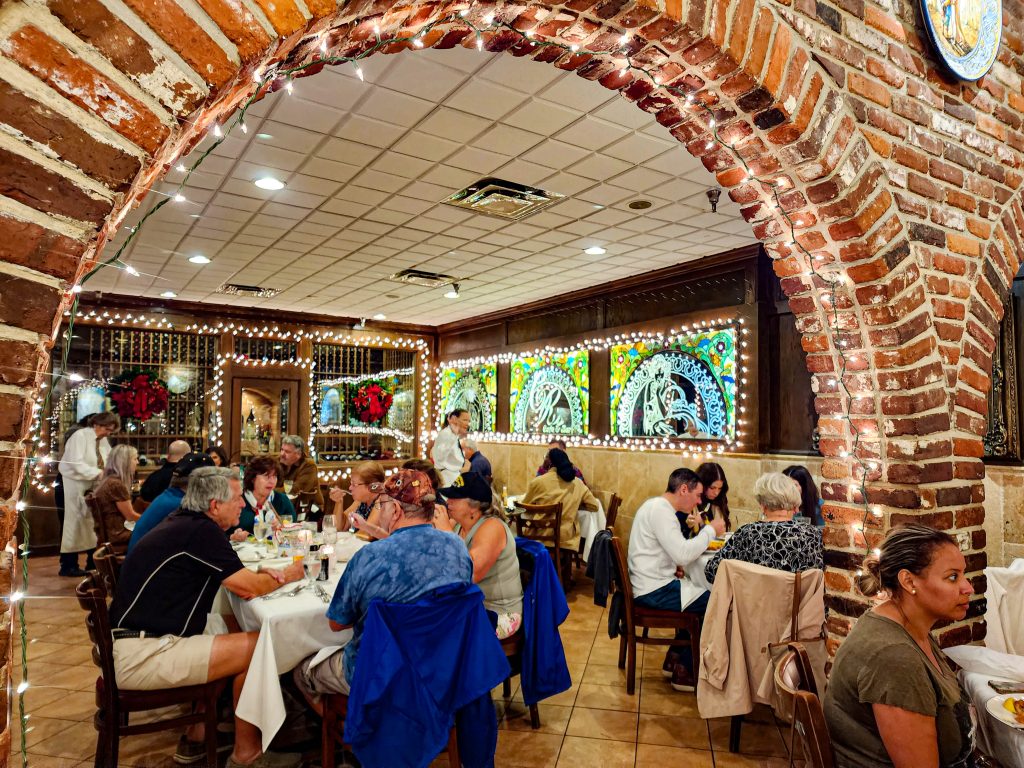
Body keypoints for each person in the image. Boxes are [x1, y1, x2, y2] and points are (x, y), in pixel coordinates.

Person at [110, 466, 305, 768]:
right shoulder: (200, 532)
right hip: (145, 652)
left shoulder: (187, 524)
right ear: (215, 505)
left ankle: (198, 734)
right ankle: (247, 753)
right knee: (260, 645)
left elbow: (239, 579)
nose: (242, 505)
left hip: (142, 636)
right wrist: (291, 575)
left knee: (240, 623)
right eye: (238, 499)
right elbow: (249, 590)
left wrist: (258, 575)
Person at [293, 469, 473, 704]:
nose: (381, 510)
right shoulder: (458, 548)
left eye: (383, 505)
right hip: (441, 666)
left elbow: (337, 623)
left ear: (396, 510)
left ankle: (354, 731)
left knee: (300, 669)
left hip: (379, 673)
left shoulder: (369, 557)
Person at [824, 525, 975, 768]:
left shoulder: (909, 626)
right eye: (952, 577)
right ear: (908, 581)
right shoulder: (894, 658)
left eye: (963, 575)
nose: (968, 588)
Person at [628, 467, 726, 690]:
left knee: (698, 593)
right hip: (653, 591)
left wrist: (673, 567)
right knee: (715, 601)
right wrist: (710, 531)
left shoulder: (656, 507)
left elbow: (671, 553)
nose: (699, 501)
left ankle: (674, 660)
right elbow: (682, 553)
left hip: (652, 583)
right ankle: (686, 671)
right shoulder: (661, 511)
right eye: (698, 495)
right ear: (684, 489)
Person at [435, 472, 523, 639]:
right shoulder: (456, 525)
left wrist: (446, 533)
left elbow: (471, 573)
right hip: (466, 603)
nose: (448, 502)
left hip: (498, 612)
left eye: (455, 498)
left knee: (442, 634)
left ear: (473, 506)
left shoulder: (493, 527)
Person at [704, 471, 823, 584]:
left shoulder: (747, 533)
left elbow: (711, 571)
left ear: (762, 505)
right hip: (798, 605)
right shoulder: (813, 535)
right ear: (795, 504)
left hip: (751, 605)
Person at [58, 411, 120, 577]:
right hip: (74, 484)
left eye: (110, 430)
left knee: (93, 524)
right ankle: (68, 565)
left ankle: (92, 562)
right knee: (74, 523)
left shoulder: (102, 440)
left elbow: (109, 459)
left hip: (93, 485)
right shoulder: (80, 436)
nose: (108, 433)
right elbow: (75, 463)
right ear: (97, 424)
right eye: (107, 428)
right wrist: (98, 473)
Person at [128, 453, 231, 552]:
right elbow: (203, 545)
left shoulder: (169, 497)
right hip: (148, 567)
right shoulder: (182, 506)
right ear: (203, 484)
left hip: (139, 564)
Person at [520, 448, 600, 552]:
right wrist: (574, 503)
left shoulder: (538, 482)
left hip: (539, 538)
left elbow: (523, 507)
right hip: (566, 540)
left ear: (549, 462)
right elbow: (594, 506)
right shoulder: (578, 483)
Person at [90, 444, 140, 549]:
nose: (137, 462)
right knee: (158, 533)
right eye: (135, 459)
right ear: (125, 462)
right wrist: (152, 520)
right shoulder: (116, 484)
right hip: (119, 534)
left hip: (111, 532)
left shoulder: (108, 481)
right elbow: (130, 516)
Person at [238, 456, 295, 534]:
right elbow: (222, 533)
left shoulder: (282, 500)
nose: (272, 481)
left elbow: (294, 529)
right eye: (266, 476)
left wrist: (282, 528)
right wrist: (233, 536)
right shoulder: (238, 501)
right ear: (252, 478)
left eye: (274, 476)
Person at [329, 460, 385, 532]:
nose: (350, 488)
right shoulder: (360, 501)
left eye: (354, 484)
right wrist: (339, 501)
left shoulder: (383, 501)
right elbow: (339, 528)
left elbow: (365, 534)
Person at [681, 462, 731, 537]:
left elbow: (723, 530)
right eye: (712, 488)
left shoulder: (720, 498)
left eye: (719, 488)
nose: (716, 493)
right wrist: (688, 525)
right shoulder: (688, 498)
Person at [277, 435, 324, 512]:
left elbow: (295, 490)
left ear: (298, 454)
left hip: (309, 509)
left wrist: (271, 492)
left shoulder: (309, 466)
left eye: (287, 452)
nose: (282, 454)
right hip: (286, 505)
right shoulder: (279, 461)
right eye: (282, 450)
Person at [432, 409, 470, 485]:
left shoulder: (454, 436)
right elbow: (440, 456)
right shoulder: (446, 434)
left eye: (468, 421)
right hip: (447, 479)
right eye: (465, 420)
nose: (467, 424)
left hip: (454, 478)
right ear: (454, 419)